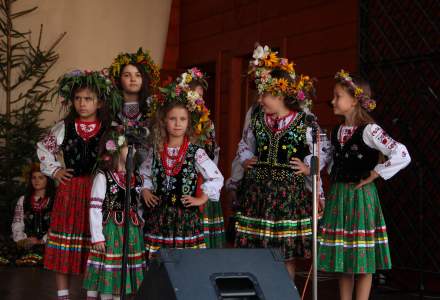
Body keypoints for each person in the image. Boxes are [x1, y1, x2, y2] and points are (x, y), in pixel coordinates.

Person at [234, 44, 328, 279]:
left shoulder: (304, 120)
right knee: (256, 251)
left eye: (265, 94)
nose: (260, 98)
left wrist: (309, 167)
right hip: (258, 193)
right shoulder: (256, 116)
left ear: (281, 94)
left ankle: (285, 292)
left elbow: (322, 150)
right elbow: (245, 143)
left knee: (285, 253)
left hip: (288, 195)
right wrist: (246, 160)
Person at [318, 70, 411, 300]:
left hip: (360, 197)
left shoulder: (370, 131)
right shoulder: (336, 131)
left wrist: (376, 173)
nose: (333, 101)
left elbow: (402, 154)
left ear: (354, 100)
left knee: (362, 259)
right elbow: (329, 162)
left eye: (337, 96)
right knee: (345, 257)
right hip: (340, 196)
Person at [37, 69, 121, 300]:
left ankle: (91, 293)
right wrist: (56, 170)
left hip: (98, 192)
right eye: (78, 98)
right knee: (65, 243)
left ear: (100, 102)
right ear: (72, 100)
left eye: (88, 99)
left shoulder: (109, 129)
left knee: (94, 243)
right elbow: (43, 148)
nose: (82, 104)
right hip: (70, 191)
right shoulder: (65, 126)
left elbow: (122, 156)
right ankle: (63, 294)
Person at [140, 81, 224, 257]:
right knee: (158, 265)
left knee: (184, 264)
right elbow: (143, 173)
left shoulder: (196, 152)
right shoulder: (157, 151)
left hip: (185, 219)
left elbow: (216, 177)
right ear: (164, 121)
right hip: (159, 217)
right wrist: (145, 190)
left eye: (182, 119)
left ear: (189, 123)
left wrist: (201, 199)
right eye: (172, 119)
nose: (177, 124)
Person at [83, 130, 146, 300]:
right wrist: (97, 237)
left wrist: (140, 226)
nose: (133, 151)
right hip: (110, 231)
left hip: (130, 232)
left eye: (135, 147)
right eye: (128, 147)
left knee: (122, 273)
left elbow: (138, 207)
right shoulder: (104, 177)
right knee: (109, 270)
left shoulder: (137, 178)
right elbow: (95, 207)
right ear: (117, 150)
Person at [176, 67, 225, 247]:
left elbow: (212, 153)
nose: (199, 100)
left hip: (202, 179)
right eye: (194, 95)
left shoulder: (206, 122)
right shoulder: (175, 121)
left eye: (201, 96)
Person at [12, 162, 55, 266]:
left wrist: (41, 241)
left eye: (41, 177)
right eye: (33, 178)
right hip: (27, 243)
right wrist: (23, 240)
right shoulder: (23, 200)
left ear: (48, 180)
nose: (36, 181)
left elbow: (56, 226)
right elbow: (17, 223)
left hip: (48, 244)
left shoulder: (54, 201)